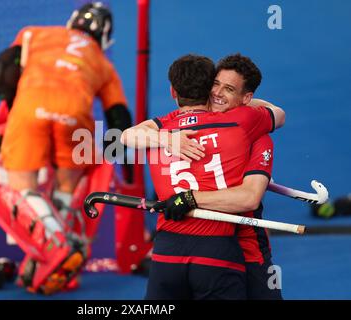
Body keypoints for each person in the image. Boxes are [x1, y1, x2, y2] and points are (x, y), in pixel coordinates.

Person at [0, 2, 132, 294]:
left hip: (31, 107)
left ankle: (57, 244)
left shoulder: (33, 33)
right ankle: (59, 246)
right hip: (76, 118)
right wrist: (123, 165)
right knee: (66, 188)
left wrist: (10, 106)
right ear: (105, 37)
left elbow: (3, 69)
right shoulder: (105, 66)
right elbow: (118, 118)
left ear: (71, 22)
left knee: (21, 188)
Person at [121, 54, 284, 299]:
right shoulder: (241, 123)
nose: (217, 93)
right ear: (205, 86)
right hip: (218, 247)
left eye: (229, 89)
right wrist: (165, 138)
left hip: (239, 245)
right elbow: (276, 113)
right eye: (215, 84)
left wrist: (189, 198)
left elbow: (124, 137)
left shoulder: (165, 125)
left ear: (173, 91)